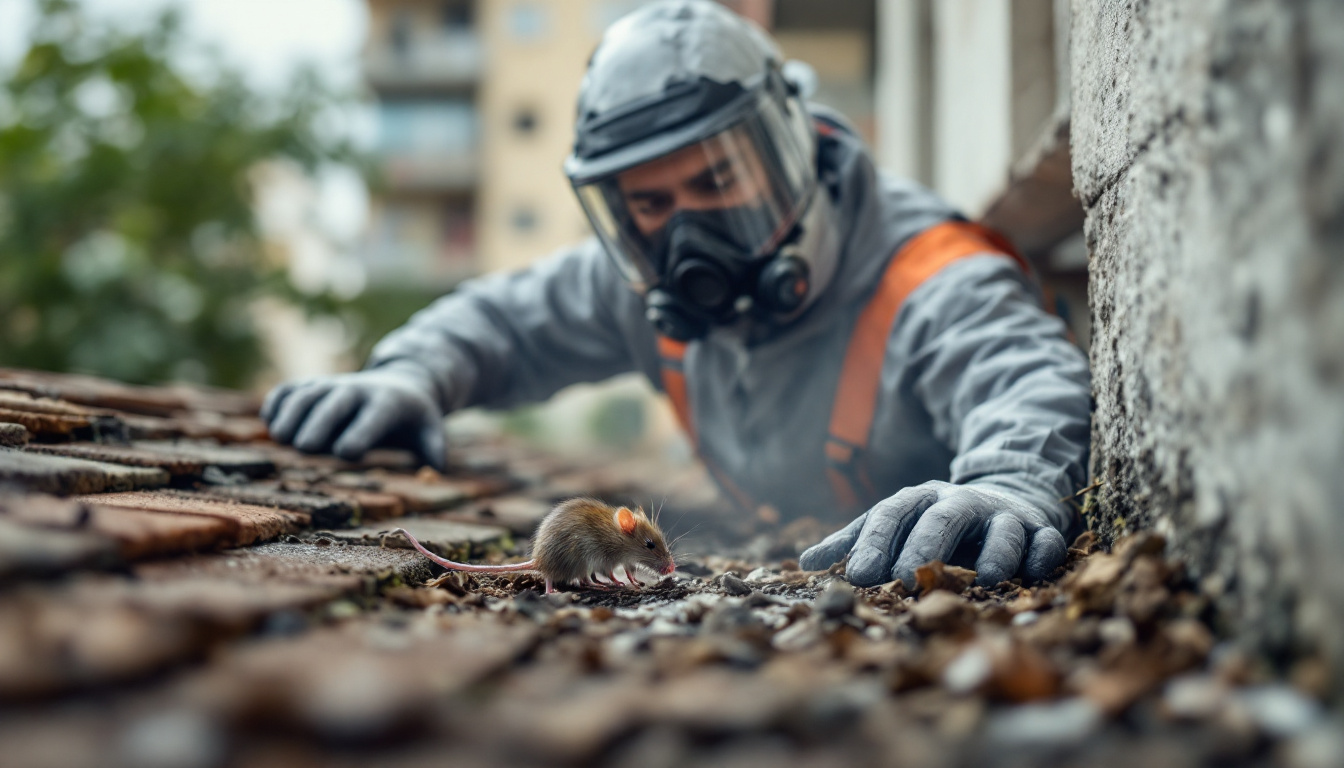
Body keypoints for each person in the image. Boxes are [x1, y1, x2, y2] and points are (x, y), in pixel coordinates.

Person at [261, 1, 1091, 589]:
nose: (687, 237)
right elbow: (499, 320)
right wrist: (410, 373)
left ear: (791, 148)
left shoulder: (924, 270)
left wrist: (1008, 483)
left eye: (718, 179)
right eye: (650, 204)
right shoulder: (642, 281)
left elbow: (1020, 374)